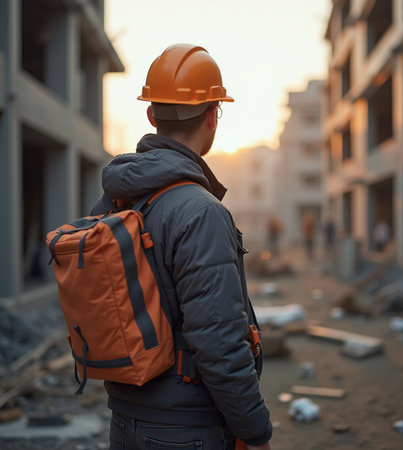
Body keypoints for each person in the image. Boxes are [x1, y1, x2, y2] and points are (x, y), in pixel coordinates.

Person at [91, 44, 272, 450]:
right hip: (188, 431)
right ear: (213, 115)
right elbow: (220, 343)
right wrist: (256, 432)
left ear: (151, 114)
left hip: (125, 422)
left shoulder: (114, 200)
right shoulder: (201, 212)